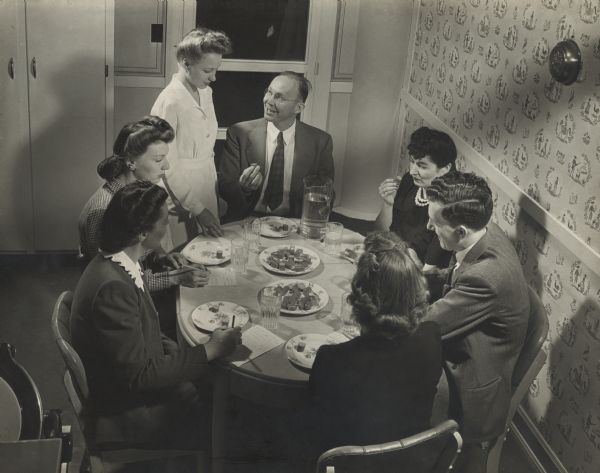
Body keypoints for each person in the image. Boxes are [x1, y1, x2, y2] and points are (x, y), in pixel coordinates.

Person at [71, 181, 242, 450]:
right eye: (163, 221)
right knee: (233, 415)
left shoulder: (119, 263)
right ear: (141, 233)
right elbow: (140, 376)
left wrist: (186, 354)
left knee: (213, 382)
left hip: (128, 387)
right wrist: (211, 349)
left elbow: (144, 335)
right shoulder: (112, 287)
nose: (166, 228)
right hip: (127, 415)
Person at [424, 172, 530, 472]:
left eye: (435, 223)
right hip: (476, 354)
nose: (429, 227)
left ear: (459, 231)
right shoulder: (486, 229)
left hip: (468, 390)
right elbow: (457, 274)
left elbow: (426, 327)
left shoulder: (486, 278)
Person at [309, 231, 442, 454]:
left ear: (359, 298)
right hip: (409, 461)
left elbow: (314, 426)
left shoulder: (332, 359)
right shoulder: (432, 337)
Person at [78, 116, 209, 338]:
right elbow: (120, 282)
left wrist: (160, 255)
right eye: (159, 160)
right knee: (198, 318)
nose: (166, 166)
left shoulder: (132, 197)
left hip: (134, 288)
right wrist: (175, 278)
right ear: (131, 163)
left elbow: (135, 247)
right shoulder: (104, 211)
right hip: (120, 311)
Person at [151, 28, 232, 242]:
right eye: (207, 70)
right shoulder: (169, 101)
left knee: (211, 252)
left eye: (216, 69)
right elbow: (166, 164)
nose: (213, 77)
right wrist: (197, 208)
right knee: (183, 256)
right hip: (179, 193)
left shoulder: (205, 92)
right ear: (187, 64)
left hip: (206, 185)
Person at [218, 71, 334, 221]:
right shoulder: (239, 133)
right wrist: (244, 188)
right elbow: (225, 186)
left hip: (295, 223)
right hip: (248, 219)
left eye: (279, 97)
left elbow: (326, 192)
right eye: (269, 92)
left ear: (298, 108)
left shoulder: (320, 141)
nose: (269, 101)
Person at [374, 126, 456, 269]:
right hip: (391, 260)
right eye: (412, 161)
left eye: (422, 166)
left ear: (445, 169)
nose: (412, 171)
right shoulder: (410, 182)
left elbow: (428, 273)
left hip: (413, 278)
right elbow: (381, 232)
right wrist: (388, 204)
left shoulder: (448, 207)